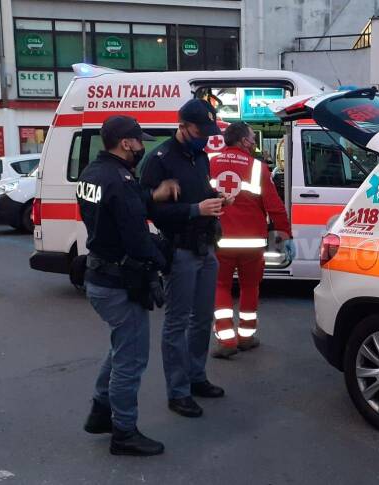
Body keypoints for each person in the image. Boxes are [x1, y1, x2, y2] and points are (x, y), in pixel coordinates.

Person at [78, 115, 181, 456]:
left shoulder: (94, 173)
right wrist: (163, 260)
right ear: (125, 143)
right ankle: (123, 432)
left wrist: (155, 193)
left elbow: (126, 203)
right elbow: (136, 239)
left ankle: (100, 410)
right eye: (138, 141)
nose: (141, 147)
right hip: (120, 282)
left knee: (121, 348)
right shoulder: (119, 181)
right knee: (131, 359)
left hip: (99, 276)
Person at [140, 99, 231, 419]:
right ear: (182, 127)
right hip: (179, 251)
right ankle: (177, 392)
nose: (204, 136)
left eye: (208, 131)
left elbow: (200, 194)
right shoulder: (159, 161)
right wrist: (195, 210)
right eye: (198, 130)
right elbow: (150, 210)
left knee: (203, 318)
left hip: (206, 247)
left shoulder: (200, 157)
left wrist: (217, 200)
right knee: (177, 323)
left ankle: (196, 376)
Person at [209, 122, 292, 358]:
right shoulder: (258, 167)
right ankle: (246, 337)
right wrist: (285, 233)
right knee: (250, 286)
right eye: (252, 139)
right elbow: (274, 206)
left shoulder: (210, 163)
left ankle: (226, 340)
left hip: (220, 238)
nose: (254, 143)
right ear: (243, 141)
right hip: (252, 241)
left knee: (220, 286)